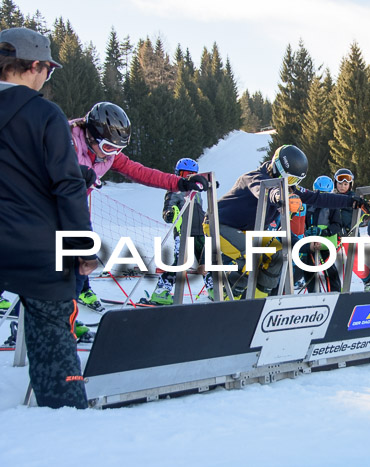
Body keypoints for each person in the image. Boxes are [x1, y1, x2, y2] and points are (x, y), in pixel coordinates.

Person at [0, 27, 98, 408]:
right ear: (35, 66)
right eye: (48, 70)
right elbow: (67, 186)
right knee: (54, 340)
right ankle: (65, 415)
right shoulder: (44, 113)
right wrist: (83, 249)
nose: (46, 77)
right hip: (38, 248)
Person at [69, 101, 209, 310]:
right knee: (56, 266)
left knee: (80, 265)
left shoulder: (108, 155)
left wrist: (179, 183)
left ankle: (67, 320)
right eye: (108, 147)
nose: (110, 154)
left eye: (117, 150)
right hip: (48, 208)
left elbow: (140, 172)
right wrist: (74, 172)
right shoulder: (66, 139)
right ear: (91, 135)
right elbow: (46, 162)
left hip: (76, 210)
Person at [205, 145, 370, 299]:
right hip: (219, 225)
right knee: (251, 255)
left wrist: (354, 202)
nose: (292, 185)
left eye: (296, 181)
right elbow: (265, 192)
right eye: (291, 179)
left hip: (247, 231)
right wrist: (282, 197)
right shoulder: (254, 178)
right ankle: (228, 296)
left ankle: (257, 300)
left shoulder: (289, 188)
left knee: (278, 256)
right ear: (279, 169)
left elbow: (318, 198)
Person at [149, 158, 215, 305]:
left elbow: (198, 210)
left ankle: (213, 288)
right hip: (183, 231)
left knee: (207, 260)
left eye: (192, 174)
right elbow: (168, 209)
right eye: (185, 174)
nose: (188, 178)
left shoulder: (197, 192)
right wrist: (169, 214)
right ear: (178, 173)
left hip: (199, 231)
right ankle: (162, 291)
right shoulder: (174, 189)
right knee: (180, 263)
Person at [334, 168, 370, 291]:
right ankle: (335, 287)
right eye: (340, 184)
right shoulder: (331, 198)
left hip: (351, 234)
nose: (342, 186)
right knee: (326, 260)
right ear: (335, 184)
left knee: (355, 264)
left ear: (350, 185)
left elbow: (367, 206)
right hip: (335, 234)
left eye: (345, 184)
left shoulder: (354, 198)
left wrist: (369, 207)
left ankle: (368, 280)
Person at [299, 175, 343, 292]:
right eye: (320, 194)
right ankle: (313, 293)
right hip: (311, 243)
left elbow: (337, 225)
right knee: (308, 268)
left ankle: (335, 293)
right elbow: (303, 223)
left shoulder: (333, 207)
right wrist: (306, 232)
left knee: (329, 269)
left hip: (326, 243)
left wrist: (323, 232)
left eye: (326, 194)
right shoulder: (308, 206)